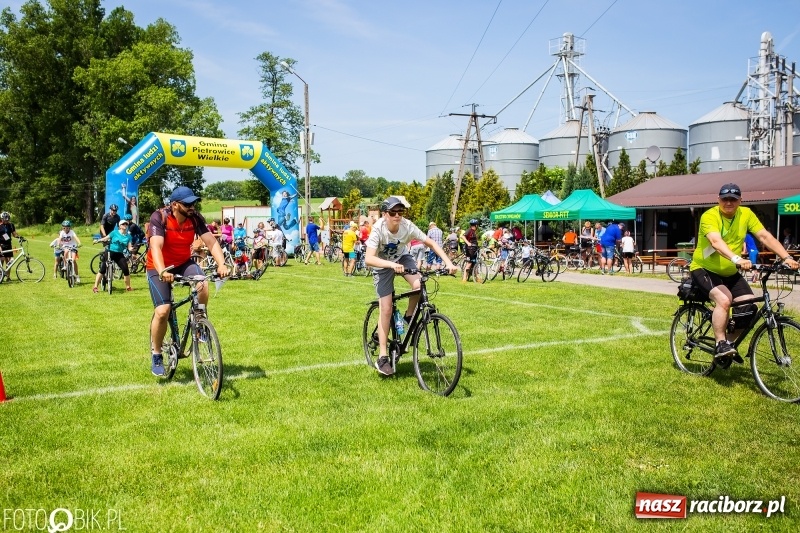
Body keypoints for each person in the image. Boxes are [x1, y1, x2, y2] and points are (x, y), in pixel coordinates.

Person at [690, 183, 799, 365]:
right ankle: (720, 343)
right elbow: (716, 242)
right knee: (724, 300)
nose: (729, 202)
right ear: (718, 200)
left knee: (749, 307)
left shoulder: (746, 214)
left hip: (730, 271)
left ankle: (728, 345)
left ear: (740, 200)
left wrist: (786, 257)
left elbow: (764, 236)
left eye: (733, 199)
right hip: (704, 268)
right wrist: (737, 259)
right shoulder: (709, 216)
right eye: (725, 199)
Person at [364, 196, 457, 376]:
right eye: (393, 212)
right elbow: (369, 258)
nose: (397, 216)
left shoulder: (407, 226)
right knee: (386, 308)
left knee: (419, 283)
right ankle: (382, 356)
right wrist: (391, 265)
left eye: (400, 212)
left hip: (402, 258)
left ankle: (408, 317)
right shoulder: (378, 229)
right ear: (385, 214)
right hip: (382, 264)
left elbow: (430, 242)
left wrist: (448, 262)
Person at [146, 186, 230, 377]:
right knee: (163, 311)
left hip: (183, 262)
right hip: (158, 266)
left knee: (202, 283)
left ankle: (199, 323)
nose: (192, 207)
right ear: (175, 205)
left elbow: (211, 242)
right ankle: (157, 354)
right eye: (187, 204)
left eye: (193, 203)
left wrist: (222, 264)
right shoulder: (159, 217)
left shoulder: (195, 218)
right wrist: (162, 271)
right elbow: (156, 247)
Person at [92, 218, 134, 292]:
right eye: (123, 224)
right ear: (120, 226)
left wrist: (131, 249)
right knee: (103, 269)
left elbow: (129, 246)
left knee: (125, 269)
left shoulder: (129, 236)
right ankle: (95, 287)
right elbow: (106, 238)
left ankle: (128, 287)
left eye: (126, 224)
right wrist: (98, 240)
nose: (125, 225)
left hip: (119, 254)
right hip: (110, 252)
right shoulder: (114, 233)